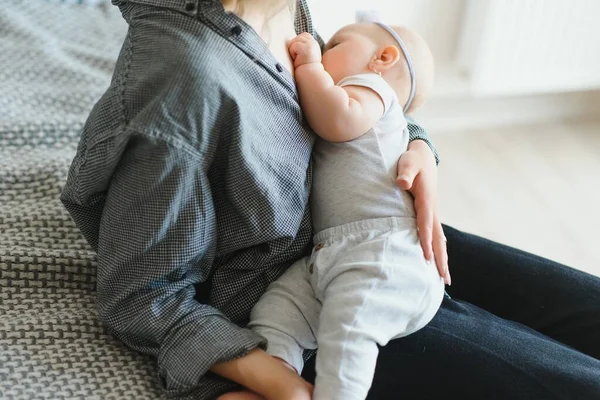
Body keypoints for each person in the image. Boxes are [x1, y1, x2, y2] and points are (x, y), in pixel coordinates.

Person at [60, 0, 600, 399]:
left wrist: (419, 147)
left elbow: (352, 98)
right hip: (316, 306)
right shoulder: (184, 84)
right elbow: (140, 294)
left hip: (371, 226)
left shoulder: (286, 12)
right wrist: (274, 378)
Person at [248, 22, 445, 400]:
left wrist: (309, 68)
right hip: (331, 255)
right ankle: (273, 380)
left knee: (348, 333)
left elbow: (336, 119)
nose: (323, 48)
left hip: (384, 250)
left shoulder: (371, 89)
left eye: (336, 43)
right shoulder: (364, 92)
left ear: (382, 58)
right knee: (276, 311)